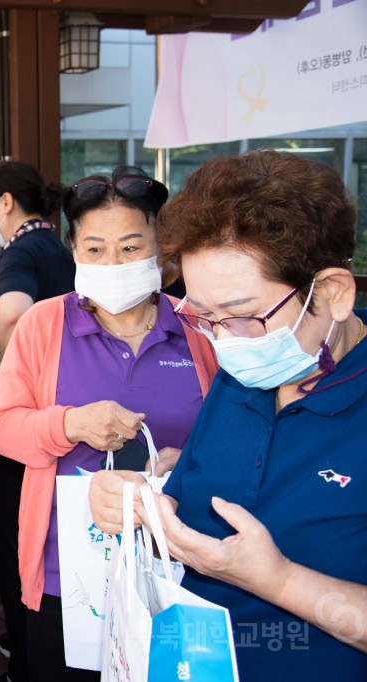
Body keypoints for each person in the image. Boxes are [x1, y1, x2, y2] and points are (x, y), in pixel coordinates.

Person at [90, 151, 367, 680]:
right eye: (204, 317)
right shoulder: (244, 376)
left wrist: (279, 581)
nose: (222, 342)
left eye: (242, 317)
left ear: (331, 293)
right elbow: (200, 499)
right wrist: (147, 502)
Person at [0, 166, 218, 681]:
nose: (112, 261)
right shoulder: (44, 324)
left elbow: (233, 434)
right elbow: (1, 429)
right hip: (66, 571)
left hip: (179, 564)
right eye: (94, 248)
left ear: (163, 249)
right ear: (74, 251)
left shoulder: (201, 326)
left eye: (131, 247)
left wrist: (192, 460)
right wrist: (69, 425)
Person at [0, 161, 76, 681]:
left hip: (23, 425)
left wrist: (17, 380)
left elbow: (12, 313)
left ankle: (25, 665)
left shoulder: (22, 250)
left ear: (4, 202)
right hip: (60, 418)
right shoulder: (58, 248)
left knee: (16, 545)